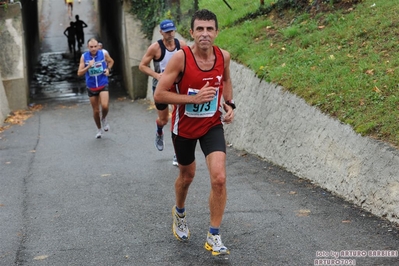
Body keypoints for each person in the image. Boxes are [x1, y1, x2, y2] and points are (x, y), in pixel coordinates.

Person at [154, 9, 235, 256]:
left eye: (210, 29)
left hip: (211, 125)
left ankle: (214, 235)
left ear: (216, 32)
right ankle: (179, 212)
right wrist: (193, 99)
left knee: (219, 178)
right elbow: (159, 94)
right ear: (191, 32)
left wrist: (229, 105)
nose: (205, 34)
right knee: (187, 176)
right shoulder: (181, 58)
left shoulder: (224, 57)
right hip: (184, 128)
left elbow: (226, 81)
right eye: (199, 29)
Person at [139, 19, 186, 166]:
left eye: (172, 31)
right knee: (165, 120)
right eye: (167, 32)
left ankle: (177, 154)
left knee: (178, 119)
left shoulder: (181, 45)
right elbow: (142, 66)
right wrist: (157, 75)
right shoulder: (155, 48)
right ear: (161, 33)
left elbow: (189, 61)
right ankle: (159, 129)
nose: (170, 34)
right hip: (161, 88)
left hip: (177, 86)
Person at [77, 38, 114, 139]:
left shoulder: (103, 53)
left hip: (103, 83)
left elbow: (111, 61)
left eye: (95, 46)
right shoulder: (84, 57)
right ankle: (99, 129)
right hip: (91, 86)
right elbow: (79, 73)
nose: (93, 49)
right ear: (88, 47)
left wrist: (108, 69)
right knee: (96, 110)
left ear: (98, 46)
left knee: (105, 106)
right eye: (91, 47)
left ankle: (104, 118)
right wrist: (88, 67)